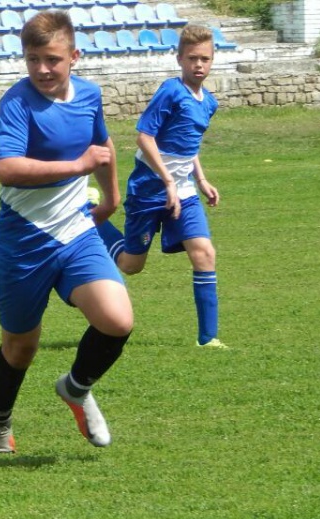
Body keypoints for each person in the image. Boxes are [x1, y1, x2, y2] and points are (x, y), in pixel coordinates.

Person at [0, 10, 133, 454]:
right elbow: (7, 170)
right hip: (23, 242)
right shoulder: (16, 102)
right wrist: (77, 167)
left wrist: (111, 198)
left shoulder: (89, 95)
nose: (43, 70)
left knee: (117, 320)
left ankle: (76, 387)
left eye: (52, 59)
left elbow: (103, 146)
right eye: (33, 60)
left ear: (74, 56)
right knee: (20, 348)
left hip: (76, 233)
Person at [95, 25, 225, 348]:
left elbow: (187, 146)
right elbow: (144, 136)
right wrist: (167, 180)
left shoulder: (208, 102)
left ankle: (208, 340)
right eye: (192, 58)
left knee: (204, 253)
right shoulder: (171, 91)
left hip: (182, 190)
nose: (199, 65)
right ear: (179, 58)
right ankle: (91, 218)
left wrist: (201, 179)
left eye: (205, 59)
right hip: (149, 188)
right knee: (131, 265)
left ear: (212, 60)